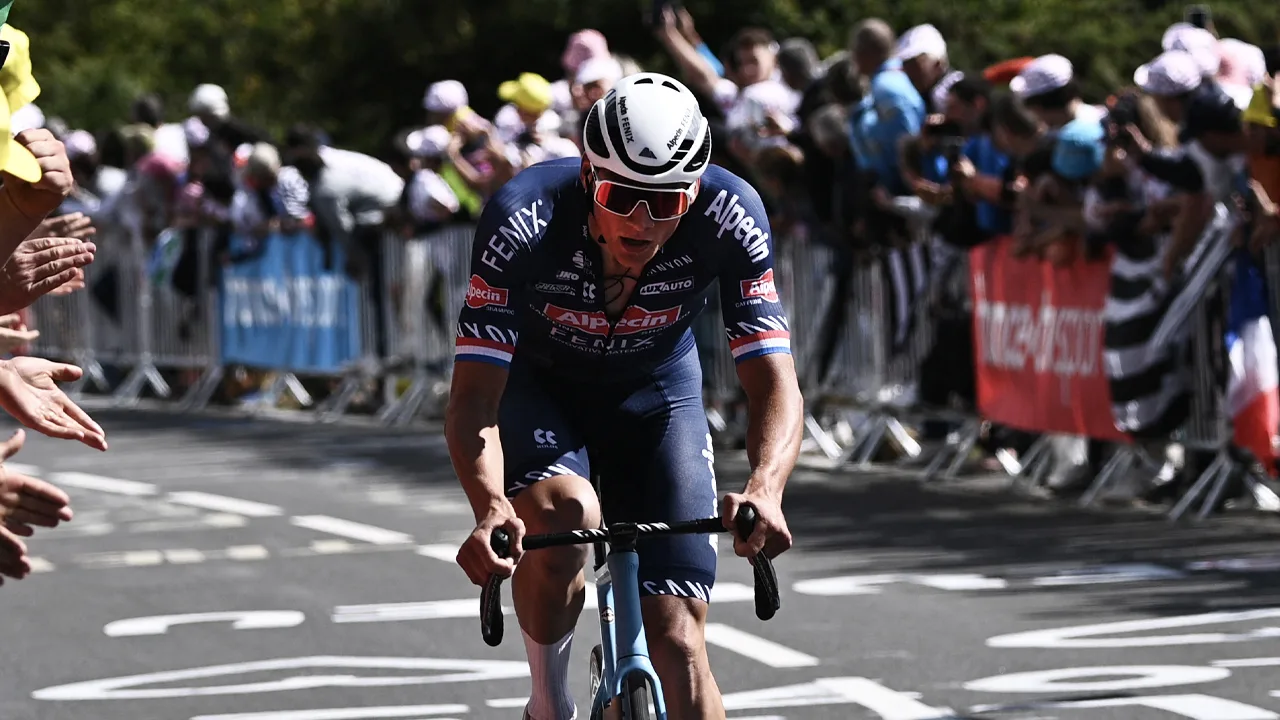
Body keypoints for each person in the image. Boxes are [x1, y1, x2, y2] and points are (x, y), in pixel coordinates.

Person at [447, 72, 803, 719]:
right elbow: (474, 397)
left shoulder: (732, 214)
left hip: (656, 388)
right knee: (567, 518)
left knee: (678, 641)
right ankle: (548, 702)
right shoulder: (522, 217)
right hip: (541, 386)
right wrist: (491, 505)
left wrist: (766, 489)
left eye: (665, 203)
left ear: (693, 194)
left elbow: (773, 378)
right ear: (588, 178)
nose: (642, 220)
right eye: (621, 196)